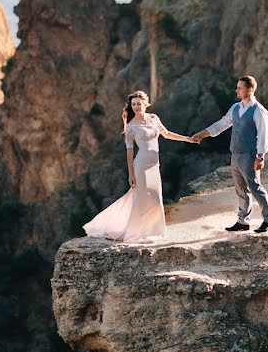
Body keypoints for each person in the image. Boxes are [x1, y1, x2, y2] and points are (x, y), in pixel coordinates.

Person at [83, 90, 198, 243]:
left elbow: (167, 134)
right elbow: (129, 153)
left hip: (154, 165)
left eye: (139, 103)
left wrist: (187, 139)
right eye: (133, 104)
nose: (136, 106)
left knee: (156, 198)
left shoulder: (154, 118)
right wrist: (131, 174)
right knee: (143, 199)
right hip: (141, 166)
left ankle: (154, 231)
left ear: (145, 104)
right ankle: (140, 233)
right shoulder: (131, 127)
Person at [191, 76, 268, 233]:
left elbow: (263, 135)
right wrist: (202, 134)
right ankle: (243, 221)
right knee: (241, 189)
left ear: (249, 89)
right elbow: (222, 124)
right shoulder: (235, 108)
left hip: (250, 155)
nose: (236, 90)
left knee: (255, 186)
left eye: (239, 88)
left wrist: (260, 156)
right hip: (235, 154)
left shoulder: (259, 111)